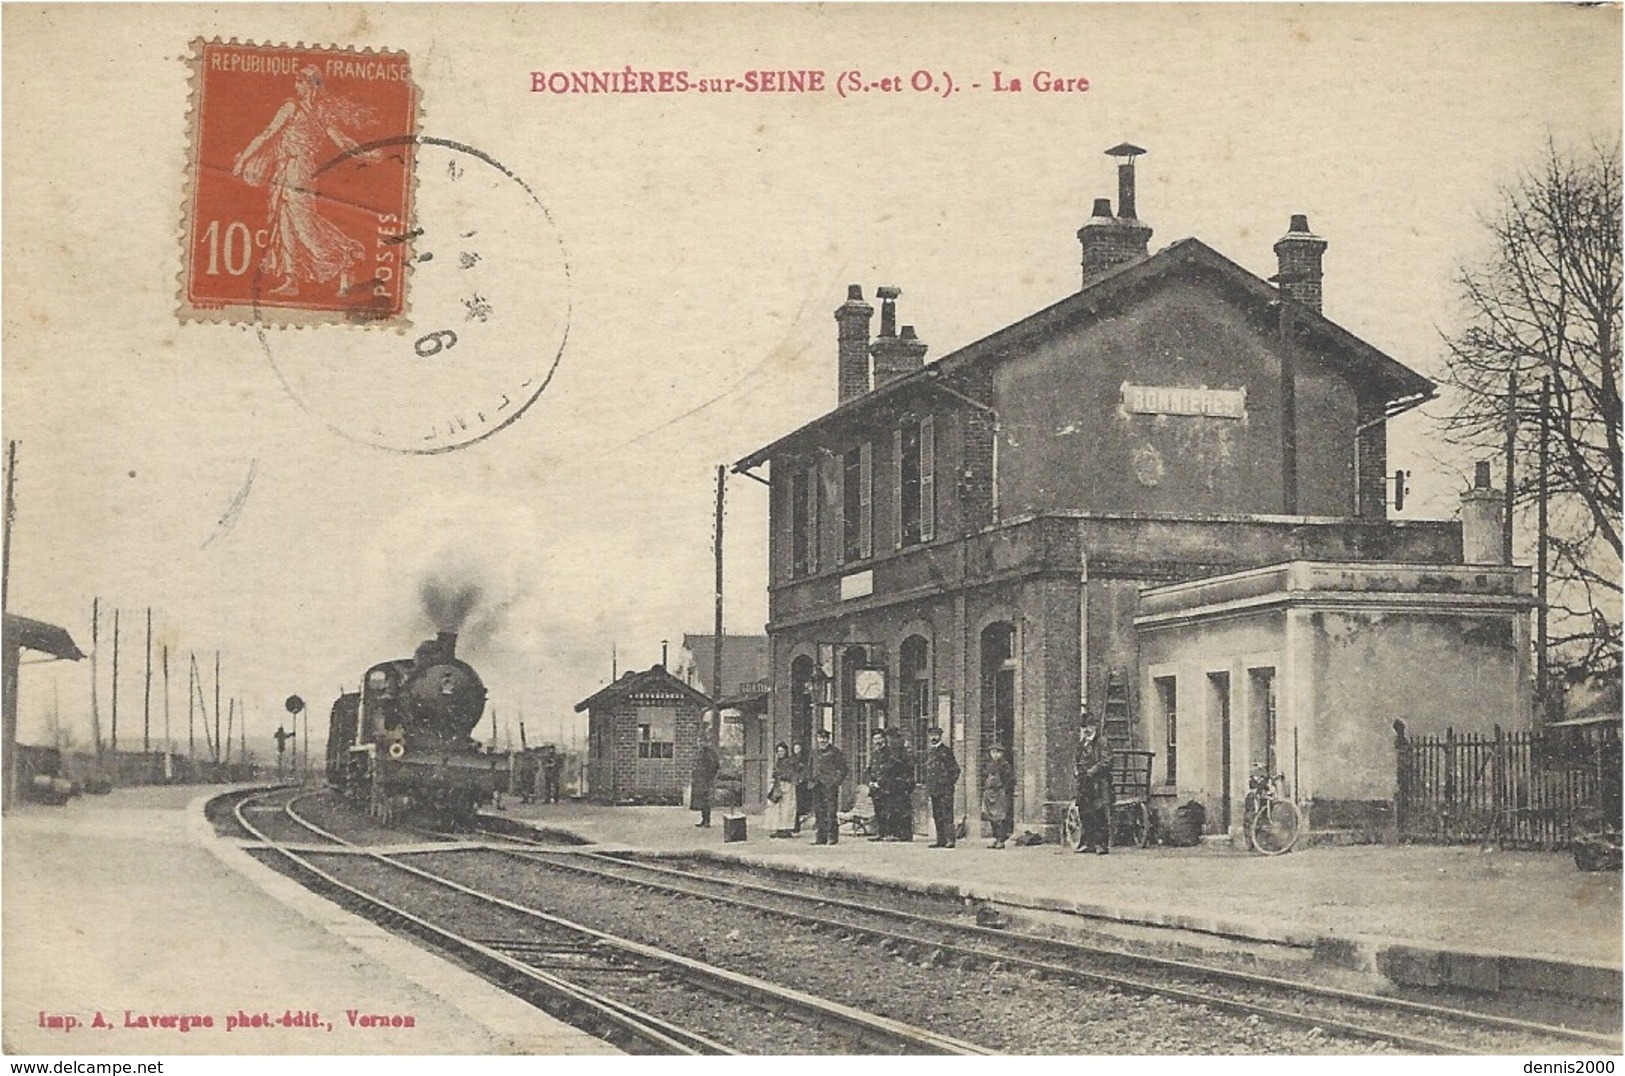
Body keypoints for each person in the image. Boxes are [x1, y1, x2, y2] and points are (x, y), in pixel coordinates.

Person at [230, 65, 380, 297]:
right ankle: (291, 280)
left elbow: (341, 141)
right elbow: (268, 133)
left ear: (312, 85)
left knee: (303, 224)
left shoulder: (320, 112)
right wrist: (244, 160)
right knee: (284, 222)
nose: (295, 86)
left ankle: (344, 259)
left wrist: (365, 154)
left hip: (301, 169)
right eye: (296, 81)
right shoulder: (291, 107)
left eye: (300, 82)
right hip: (284, 168)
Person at [1073, 721, 1112, 854]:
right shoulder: (1082, 743)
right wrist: (1076, 770)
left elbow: (1106, 762)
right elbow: (1077, 759)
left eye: (1088, 727)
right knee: (1084, 812)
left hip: (1098, 783)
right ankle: (1087, 843)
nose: (1085, 730)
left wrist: (1092, 771)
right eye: (1083, 727)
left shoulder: (1102, 742)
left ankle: (1101, 844)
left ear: (1094, 727)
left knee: (1098, 812)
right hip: (1084, 783)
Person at [924, 726, 960, 848]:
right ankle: (941, 840)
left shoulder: (946, 751)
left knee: (947, 814)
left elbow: (955, 770)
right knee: (937, 814)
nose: (933, 738)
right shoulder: (931, 752)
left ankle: (950, 840)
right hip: (935, 789)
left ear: (940, 736)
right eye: (931, 735)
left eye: (936, 735)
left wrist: (948, 783)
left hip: (945, 790)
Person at [811, 729, 847, 845]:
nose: (822, 740)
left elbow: (843, 769)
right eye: (820, 738)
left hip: (830, 786)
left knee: (831, 811)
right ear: (817, 739)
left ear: (828, 739)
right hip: (817, 785)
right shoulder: (814, 753)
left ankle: (832, 837)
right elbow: (809, 767)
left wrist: (836, 782)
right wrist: (810, 779)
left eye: (825, 738)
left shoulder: (835, 752)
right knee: (819, 812)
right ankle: (821, 838)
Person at [884, 727, 916, 841]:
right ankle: (901, 833)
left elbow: (908, 765)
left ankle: (903, 834)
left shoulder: (899, 749)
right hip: (896, 783)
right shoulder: (897, 748)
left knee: (901, 809)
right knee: (897, 809)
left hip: (900, 783)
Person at [981, 743, 1015, 849]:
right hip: (989, 793)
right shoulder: (989, 765)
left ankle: (1001, 839)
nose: (995, 755)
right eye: (993, 752)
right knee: (991, 817)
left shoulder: (1005, 765)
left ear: (1001, 753)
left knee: (1001, 817)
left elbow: (1010, 780)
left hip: (1000, 793)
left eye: (997, 752)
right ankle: (996, 838)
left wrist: (1004, 790)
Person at [766, 742, 799, 837]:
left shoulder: (790, 761)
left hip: (788, 785)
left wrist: (780, 775)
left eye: (782, 751)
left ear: (786, 751)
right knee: (778, 808)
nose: (780, 753)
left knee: (788, 808)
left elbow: (792, 773)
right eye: (778, 751)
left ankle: (787, 829)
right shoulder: (777, 762)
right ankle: (779, 828)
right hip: (779, 786)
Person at [865, 729, 892, 842]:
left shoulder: (889, 753)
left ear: (884, 739)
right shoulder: (874, 754)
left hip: (886, 787)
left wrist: (880, 783)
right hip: (875, 788)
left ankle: (888, 833)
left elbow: (890, 770)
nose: (877, 741)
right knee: (878, 810)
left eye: (879, 738)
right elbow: (870, 769)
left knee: (887, 810)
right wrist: (870, 782)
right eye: (875, 739)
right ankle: (881, 833)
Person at [691, 731, 720, 828]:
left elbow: (714, 766)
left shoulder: (710, 753)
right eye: (698, 742)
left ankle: (707, 821)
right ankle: (703, 820)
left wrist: (710, 777)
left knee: (706, 800)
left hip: (707, 780)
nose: (700, 744)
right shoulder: (700, 752)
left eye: (701, 741)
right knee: (701, 800)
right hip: (700, 780)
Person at [789, 740, 812, 833]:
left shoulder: (804, 759)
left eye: (798, 748)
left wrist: (802, 778)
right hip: (793, 783)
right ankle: (793, 824)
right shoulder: (791, 759)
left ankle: (797, 824)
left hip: (801, 784)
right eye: (795, 748)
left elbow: (806, 770)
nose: (796, 750)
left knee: (799, 804)